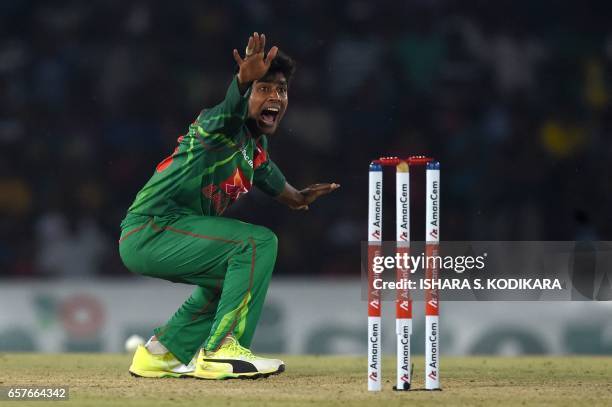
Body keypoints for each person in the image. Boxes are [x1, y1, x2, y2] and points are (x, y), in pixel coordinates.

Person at [118, 32, 339, 379]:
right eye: (264, 89)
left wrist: (298, 197)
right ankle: (222, 349)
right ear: (246, 94)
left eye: (281, 90)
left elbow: (268, 175)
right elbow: (227, 113)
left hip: (163, 233)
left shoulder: (253, 146)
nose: (276, 97)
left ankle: (161, 353)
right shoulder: (218, 126)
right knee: (256, 244)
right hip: (153, 228)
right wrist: (241, 80)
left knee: (231, 278)